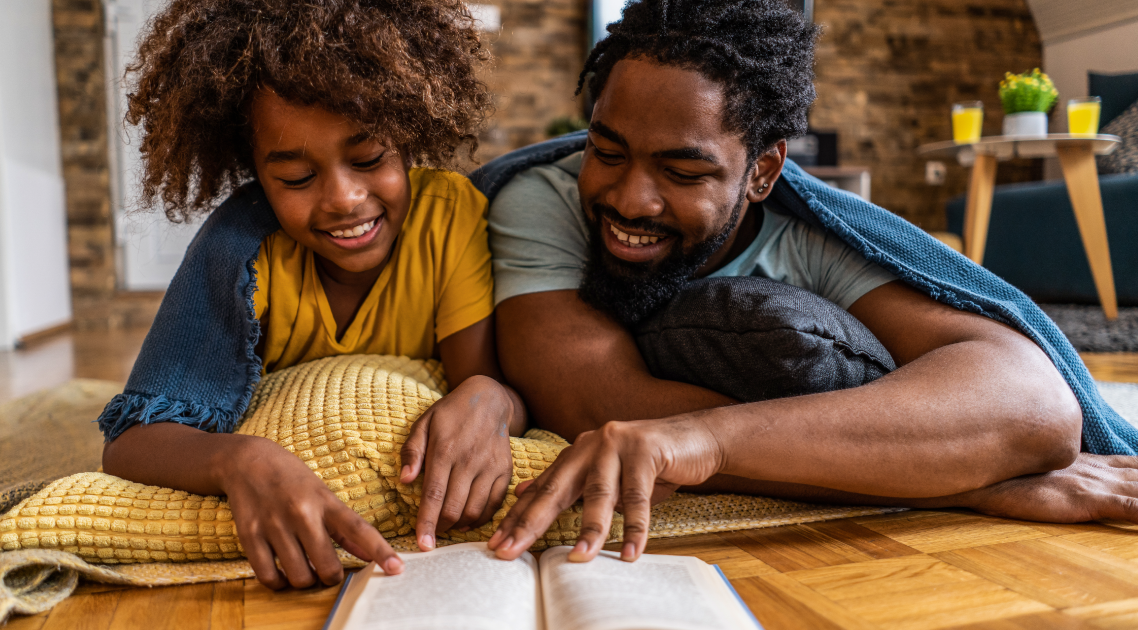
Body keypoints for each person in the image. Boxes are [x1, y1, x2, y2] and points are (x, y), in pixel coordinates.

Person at [484, 0, 1138, 563]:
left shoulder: (810, 240)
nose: (630, 200)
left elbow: (1036, 409)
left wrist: (705, 441)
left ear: (764, 173)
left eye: (683, 173)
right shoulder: (544, 199)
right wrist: (961, 476)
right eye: (607, 151)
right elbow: (594, 404)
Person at [96, 0, 525, 589]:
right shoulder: (239, 249)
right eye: (296, 178)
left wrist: (489, 396)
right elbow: (131, 443)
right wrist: (238, 458)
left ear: (408, 133)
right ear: (251, 168)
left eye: (370, 158)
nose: (344, 198)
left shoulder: (448, 216)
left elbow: (486, 392)